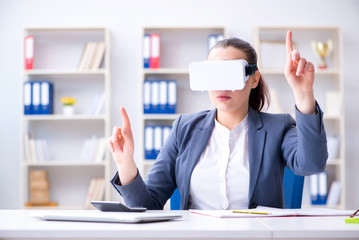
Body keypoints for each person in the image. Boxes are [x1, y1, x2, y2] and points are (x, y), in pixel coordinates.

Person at [108, 30, 328, 210]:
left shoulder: (278, 127)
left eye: (231, 74)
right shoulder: (183, 129)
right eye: (214, 74)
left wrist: (303, 94)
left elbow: (312, 163)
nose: (222, 86)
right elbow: (148, 206)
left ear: (254, 79)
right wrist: (126, 164)